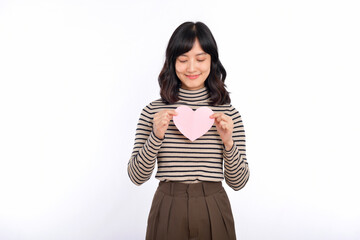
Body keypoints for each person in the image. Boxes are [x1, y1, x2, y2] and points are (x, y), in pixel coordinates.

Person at [128, 21, 249, 240]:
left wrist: (228, 143)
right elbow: (136, 176)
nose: (192, 68)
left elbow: (238, 182)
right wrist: (156, 136)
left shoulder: (228, 115)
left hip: (214, 205)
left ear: (212, 61)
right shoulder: (153, 112)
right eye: (183, 60)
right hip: (168, 206)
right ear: (172, 62)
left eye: (200, 59)